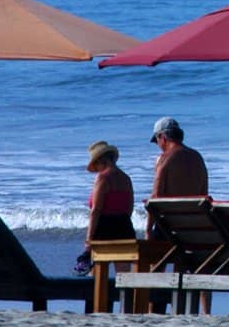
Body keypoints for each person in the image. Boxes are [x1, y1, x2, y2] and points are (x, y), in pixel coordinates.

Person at [73, 140, 135, 275]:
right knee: (124, 278)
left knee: (96, 280)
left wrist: (89, 241)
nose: (96, 169)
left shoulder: (103, 178)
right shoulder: (126, 178)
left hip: (104, 230)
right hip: (125, 228)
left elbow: (96, 210)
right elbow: (129, 209)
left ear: (101, 161)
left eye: (96, 164)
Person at [149, 116, 209, 200]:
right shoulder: (197, 157)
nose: (157, 145)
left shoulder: (164, 159)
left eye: (156, 141)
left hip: (170, 212)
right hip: (195, 212)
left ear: (163, 137)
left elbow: (156, 197)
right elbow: (204, 195)